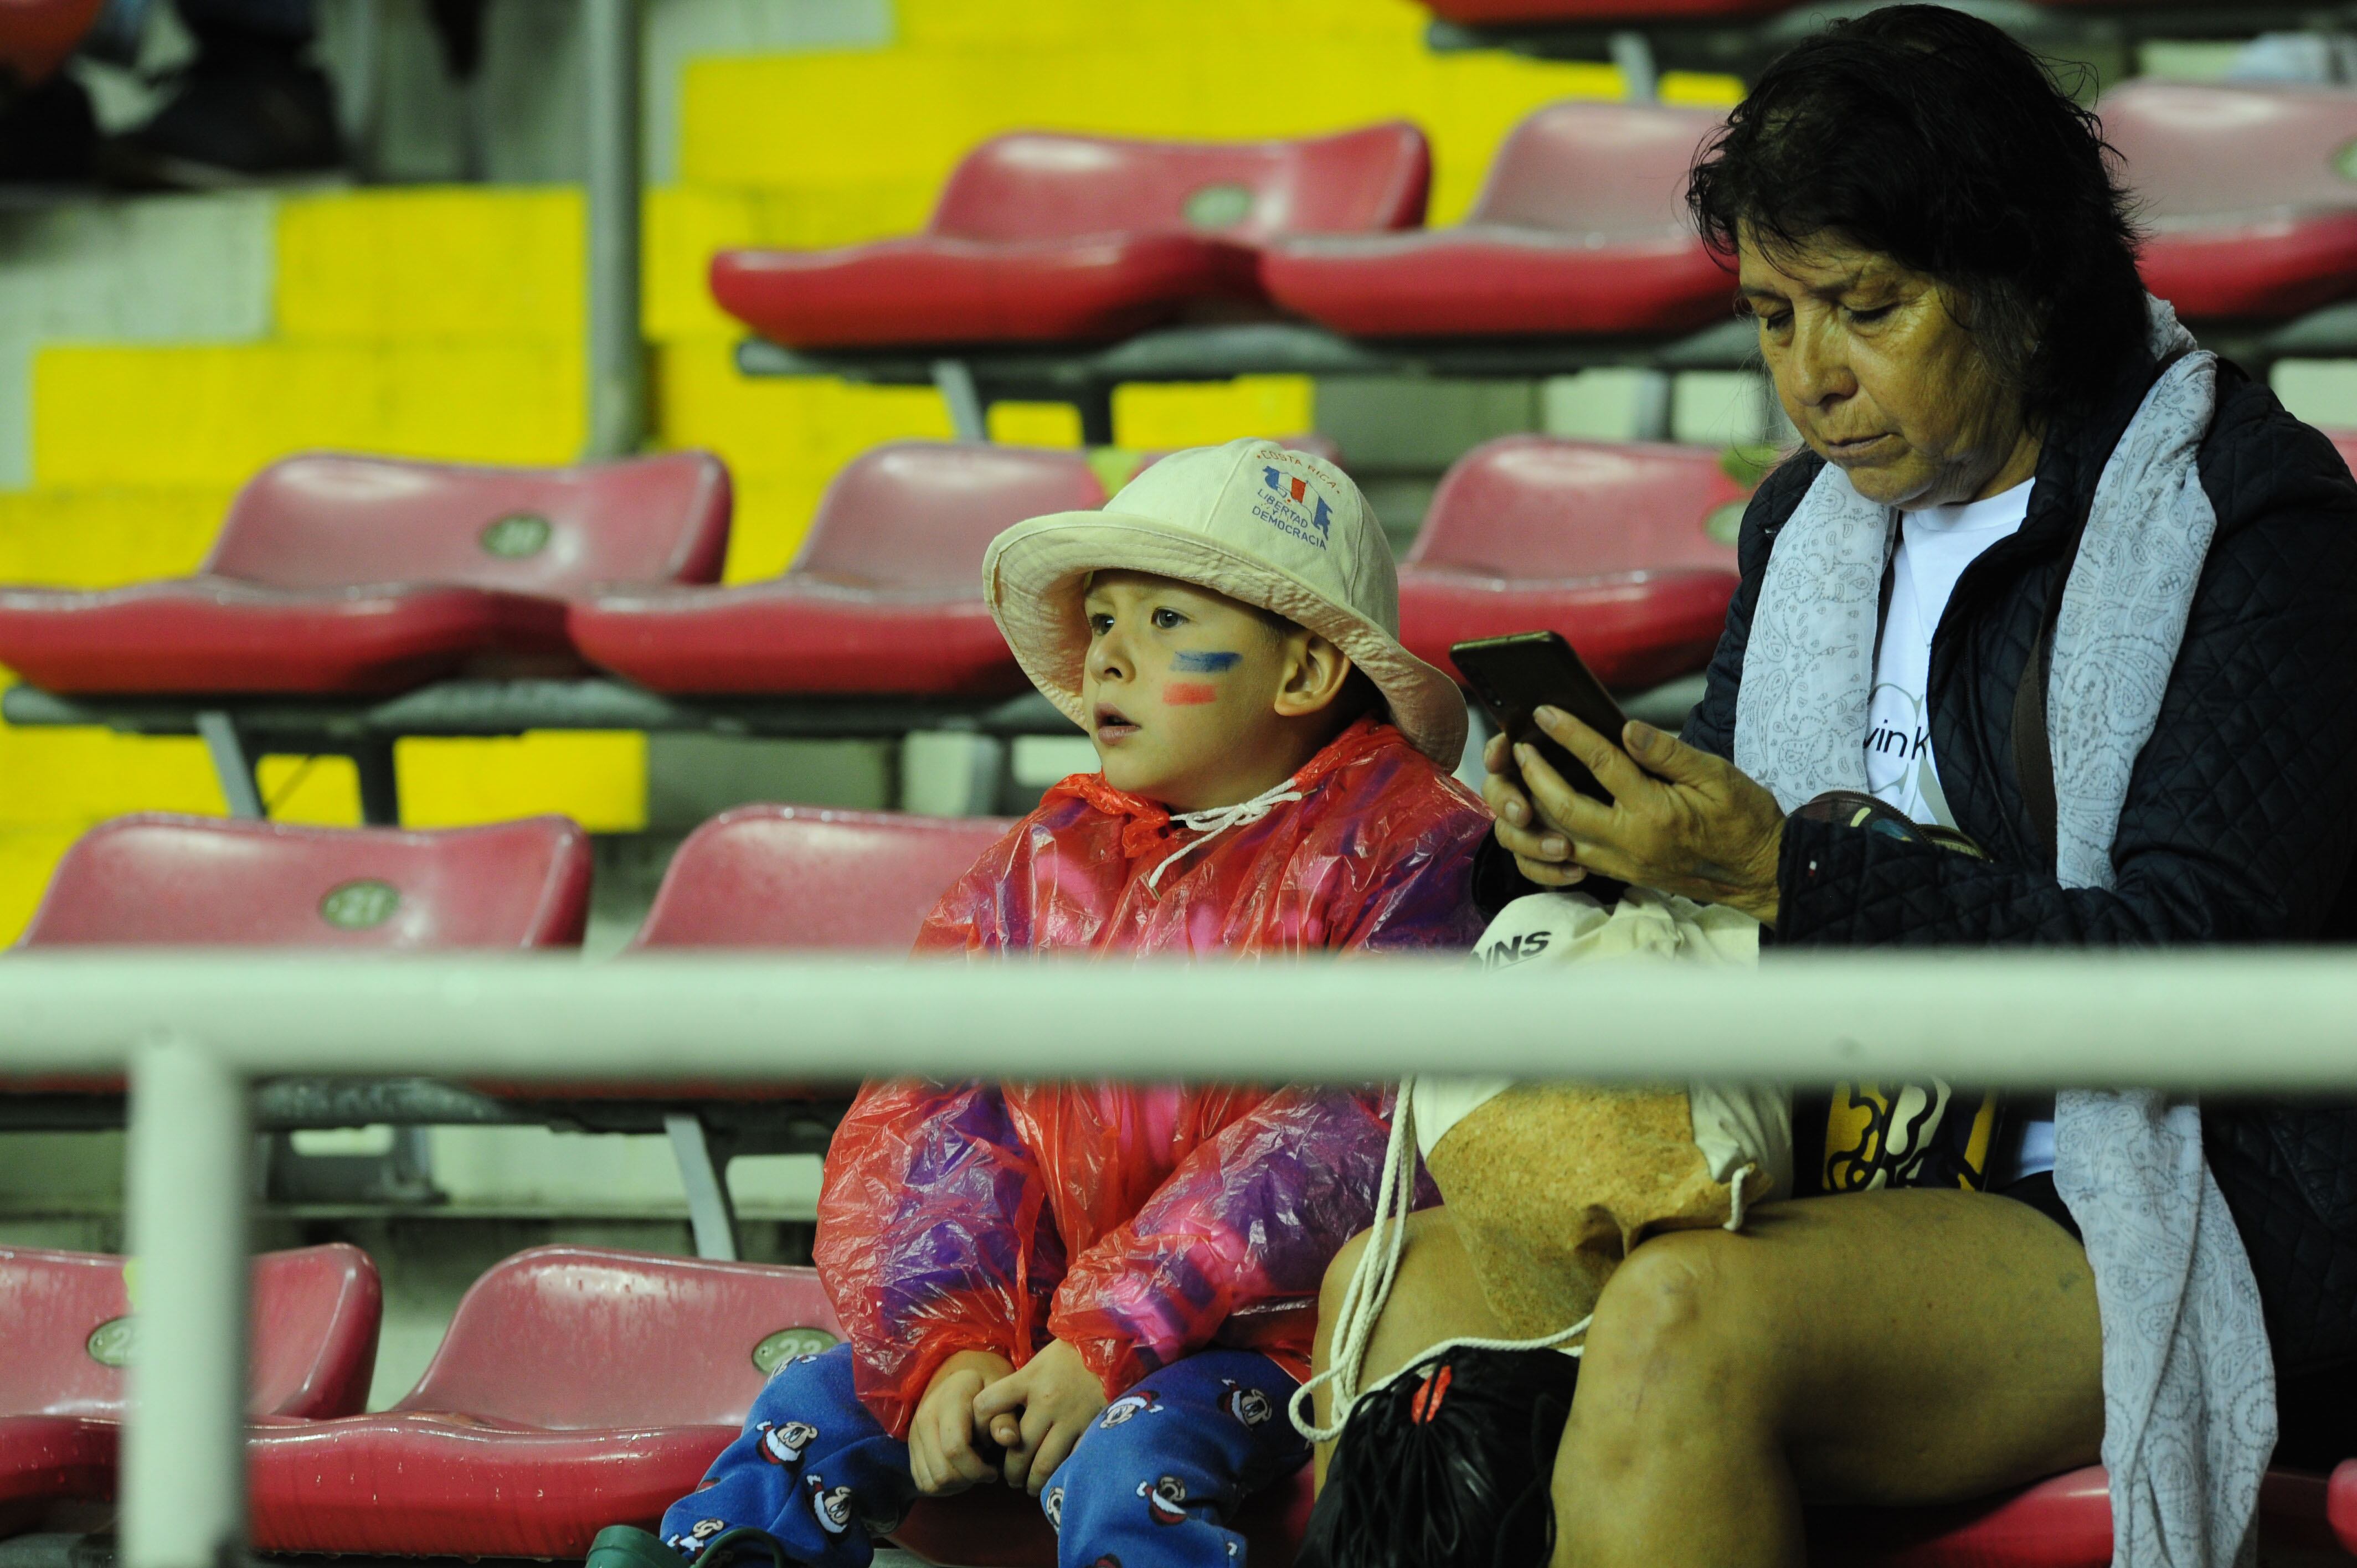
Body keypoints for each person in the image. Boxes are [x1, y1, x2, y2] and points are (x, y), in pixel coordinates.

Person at [1318, 9, 2357, 1567]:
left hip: (2166, 1196)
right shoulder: (1806, 524)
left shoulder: (2252, 518)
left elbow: (2192, 975)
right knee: (1387, 1295)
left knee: (1684, 1322)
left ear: (2024, 284)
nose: (1811, 378)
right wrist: (1573, 849)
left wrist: (1779, 875)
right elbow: (1727, 867)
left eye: (1868, 309)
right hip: (1824, 1155)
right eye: (1772, 316)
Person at [589, 439, 1491, 1568]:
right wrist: (951, 1347)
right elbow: (940, 1112)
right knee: (816, 1404)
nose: (1107, 653)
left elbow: (1339, 1139)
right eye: (1103, 619)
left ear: (1304, 673)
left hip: (1279, 1343)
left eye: (1164, 620)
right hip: (1046, 1323)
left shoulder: (1417, 851)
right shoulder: (1048, 860)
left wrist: (1114, 1335)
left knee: (1128, 1460)